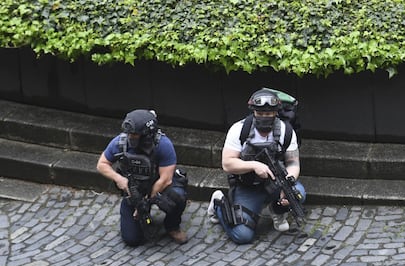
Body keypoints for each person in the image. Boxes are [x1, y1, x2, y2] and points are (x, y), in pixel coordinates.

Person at [207, 88, 306, 244]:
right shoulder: (239, 130)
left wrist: (288, 183)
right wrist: (253, 165)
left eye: (269, 114)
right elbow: (227, 163)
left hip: (275, 183)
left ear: (276, 112)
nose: (264, 117)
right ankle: (218, 203)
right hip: (248, 186)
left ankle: (277, 210)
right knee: (242, 235)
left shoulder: (286, 131)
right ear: (253, 111)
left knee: (297, 194)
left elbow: (293, 163)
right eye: (260, 114)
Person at [97, 109, 188, 246]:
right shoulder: (120, 143)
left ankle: (172, 226)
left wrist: (147, 201)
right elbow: (101, 164)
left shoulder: (163, 145)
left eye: (135, 134)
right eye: (129, 134)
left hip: (159, 186)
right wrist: (119, 179)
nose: (130, 137)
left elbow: (165, 179)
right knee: (132, 239)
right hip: (135, 189)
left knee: (178, 196)